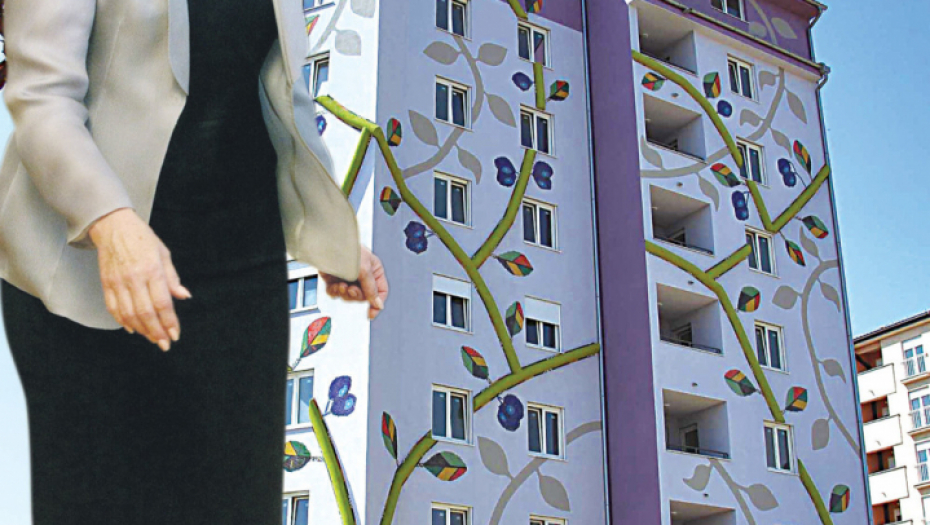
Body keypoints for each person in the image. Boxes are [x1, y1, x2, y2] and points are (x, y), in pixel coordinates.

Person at [0, 0, 389, 523]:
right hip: (89, 271)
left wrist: (329, 237)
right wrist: (111, 224)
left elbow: (279, 93)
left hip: (240, 269)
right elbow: (42, 98)